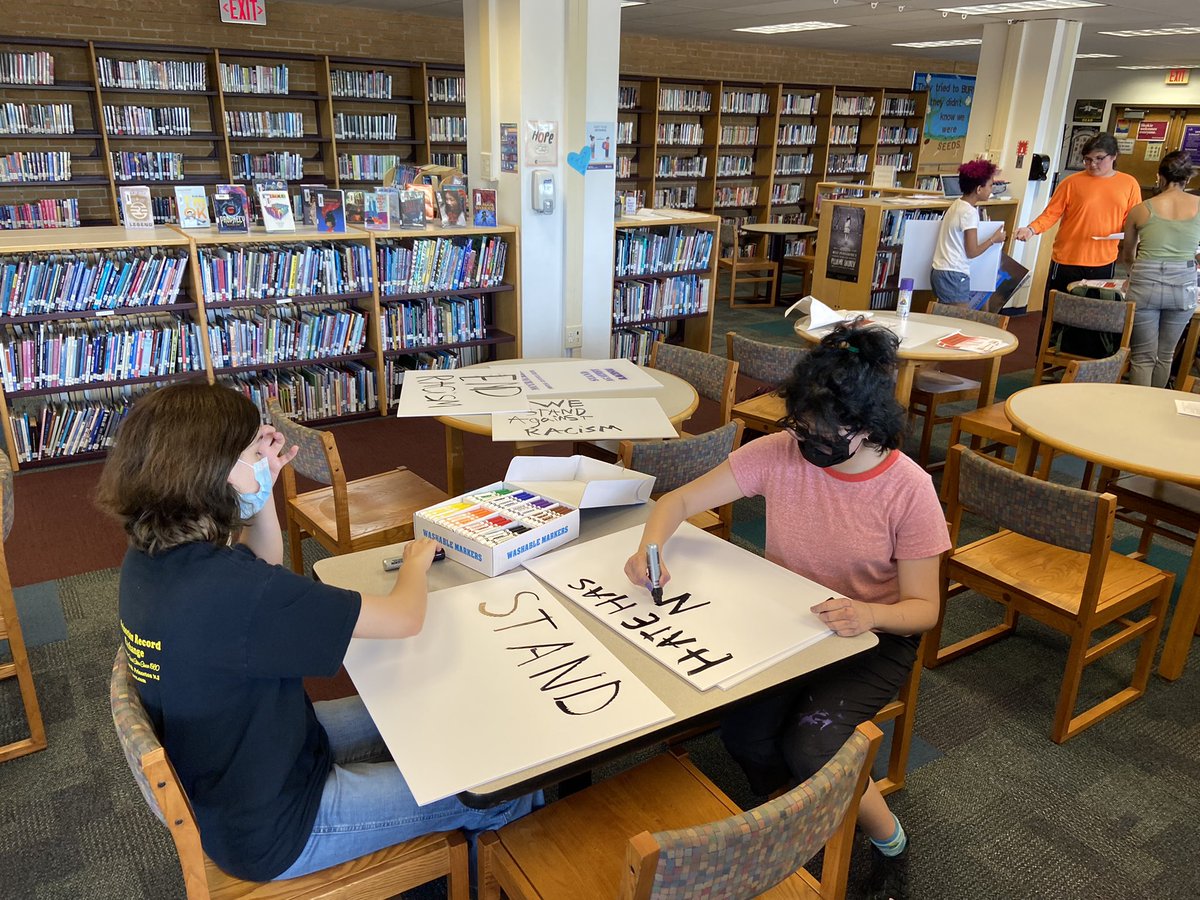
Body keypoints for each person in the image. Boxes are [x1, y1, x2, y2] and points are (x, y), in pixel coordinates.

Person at [97, 383, 535, 883]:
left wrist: (263, 492)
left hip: (242, 768)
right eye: (250, 454)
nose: (259, 460)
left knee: (422, 705)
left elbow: (263, 563)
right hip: (279, 826)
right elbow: (402, 618)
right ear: (212, 474)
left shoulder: (151, 558)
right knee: (503, 789)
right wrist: (416, 558)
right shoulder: (238, 594)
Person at [622, 322, 950, 900]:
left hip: (873, 631)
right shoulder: (780, 452)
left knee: (812, 744)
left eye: (826, 433)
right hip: (789, 616)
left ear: (871, 424)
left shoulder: (909, 489)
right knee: (742, 730)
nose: (809, 443)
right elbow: (678, 500)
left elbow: (923, 608)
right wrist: (650, 547)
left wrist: (870, 614)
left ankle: (892, 842)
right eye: (803, 428)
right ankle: (788, 808)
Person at [1014, 133, 1142, 355]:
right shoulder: (1072, 182)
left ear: (1114, 157)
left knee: (1093, 318)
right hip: (1067, 259)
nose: (1092, 164)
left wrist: (1129, 236)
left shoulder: (1129, 183)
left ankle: (1082, 363)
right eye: (1087, 159)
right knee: (1056, 315)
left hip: (1103, 261)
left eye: (1099, 159)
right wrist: (1031, 229)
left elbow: (1131, 220)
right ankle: (1044, 360)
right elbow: (1051, 214)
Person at [1120, 150, 1200, 387]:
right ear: (1189, 179)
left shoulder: (1142, 209)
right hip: (1183, 284)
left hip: (1145, 281)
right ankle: (1157, 410)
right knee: (1165, 355)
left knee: (1143, 357)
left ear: (1160, 177)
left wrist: (1136, 272)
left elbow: (1127, 255)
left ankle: (1138, 413)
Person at [930, 159, 1007, 305]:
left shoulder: (957, 204)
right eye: (990, 186)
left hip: (939, 271)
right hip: (954, 274)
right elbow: (971, 251)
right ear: (979, 189)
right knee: (960, 322)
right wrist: (994, 239)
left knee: (944, 319)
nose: (991, 190)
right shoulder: (970, 213)